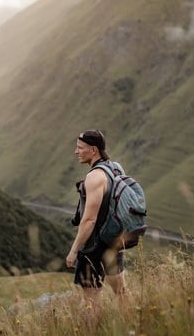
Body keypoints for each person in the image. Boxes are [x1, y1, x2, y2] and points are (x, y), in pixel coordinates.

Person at [66, 129, 127, 313]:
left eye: (80, 148)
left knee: (91, 301)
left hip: (93, 247)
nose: (76, 152)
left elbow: (89, 220)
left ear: (93, 150)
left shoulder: (94, 177)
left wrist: (74, 250)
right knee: (122, 292)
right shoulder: (115, 168)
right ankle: (134, 324)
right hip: (114, 240)